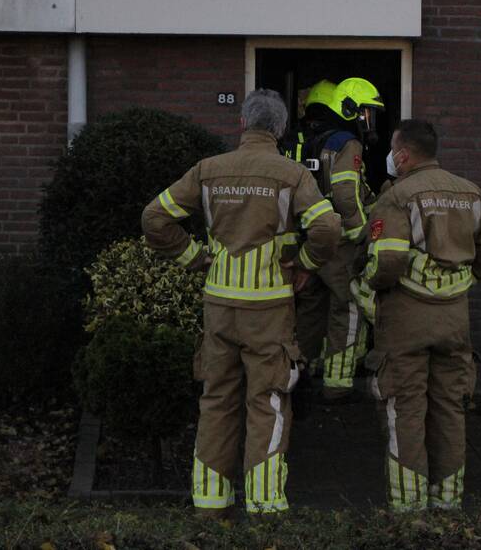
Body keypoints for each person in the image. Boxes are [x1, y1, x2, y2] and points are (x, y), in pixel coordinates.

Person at [142, 89, 341, 516]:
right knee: (267, 401)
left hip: (219, 308)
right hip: (269, 310)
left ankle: (210, 504)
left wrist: (195, 258)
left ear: (242, 125)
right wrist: (305, 263)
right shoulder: (292, 175)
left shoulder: (207, 170)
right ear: (281, 130)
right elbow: (327, 227)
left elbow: (154, 219)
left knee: (216, 399)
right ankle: (265, 505)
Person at [351, 119, 481, 512]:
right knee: (450, 408)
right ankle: (448, 502)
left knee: (405, 408)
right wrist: (471, 275)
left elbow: (387, 260)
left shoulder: (398, 196)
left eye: (391, 149)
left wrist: (367, 281)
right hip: (455, 322)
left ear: (402, 155)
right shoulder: (470, 192)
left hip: (406, 323)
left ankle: (410, 507)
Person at [294, 77, 385, 402]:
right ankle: (337, 384)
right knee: (346, 310)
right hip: (340, 244)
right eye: (363, 112)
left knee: (309, 310)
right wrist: (361, 231)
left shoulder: (306, 139)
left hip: (309, 239)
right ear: (347, 108)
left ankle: (300, 373)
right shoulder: (347, 143)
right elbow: (346, 194)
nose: (367, 120)